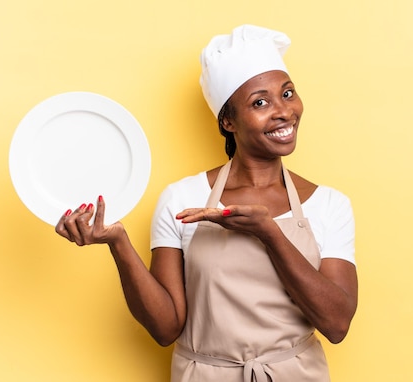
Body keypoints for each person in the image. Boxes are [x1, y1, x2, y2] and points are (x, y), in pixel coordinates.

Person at [55, 24, 357, 382]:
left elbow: (336, 324)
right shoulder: (182, 199)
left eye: (287, 94)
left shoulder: (329, 205)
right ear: (228, 121)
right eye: (260, 102)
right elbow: (166, 328)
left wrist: (270, 233)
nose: (283, 112)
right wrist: (118, 243)